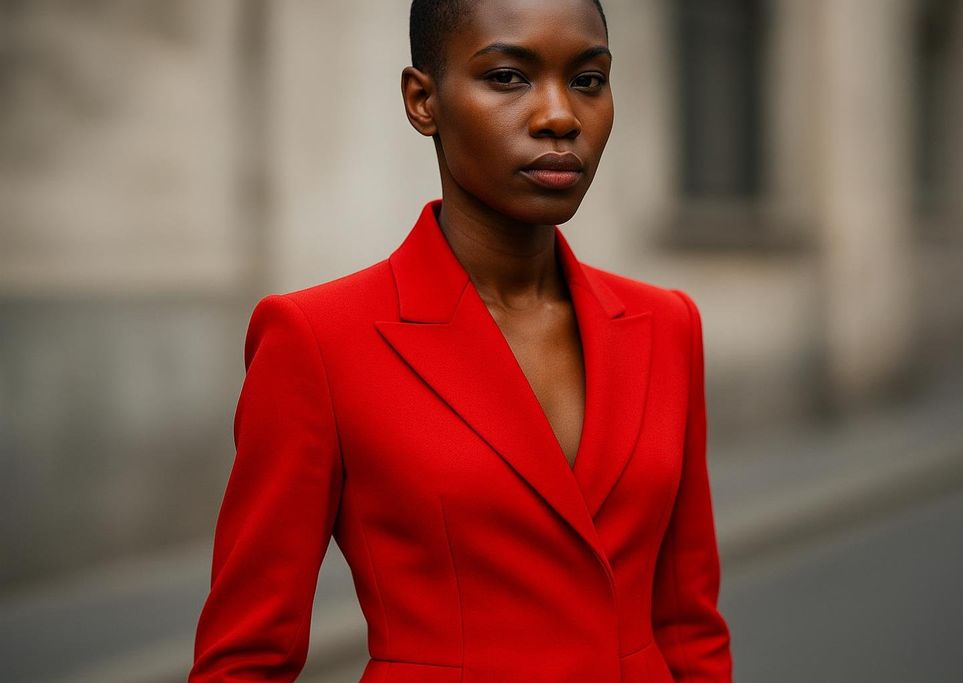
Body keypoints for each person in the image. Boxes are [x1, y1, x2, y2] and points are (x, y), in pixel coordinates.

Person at [188, 0, 733, 681]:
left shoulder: (666, 325)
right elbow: (245, 660)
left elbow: (688, 627)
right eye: (508, 76)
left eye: (588, 80)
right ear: (423, 100)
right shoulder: (318, 340)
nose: (560, 116)